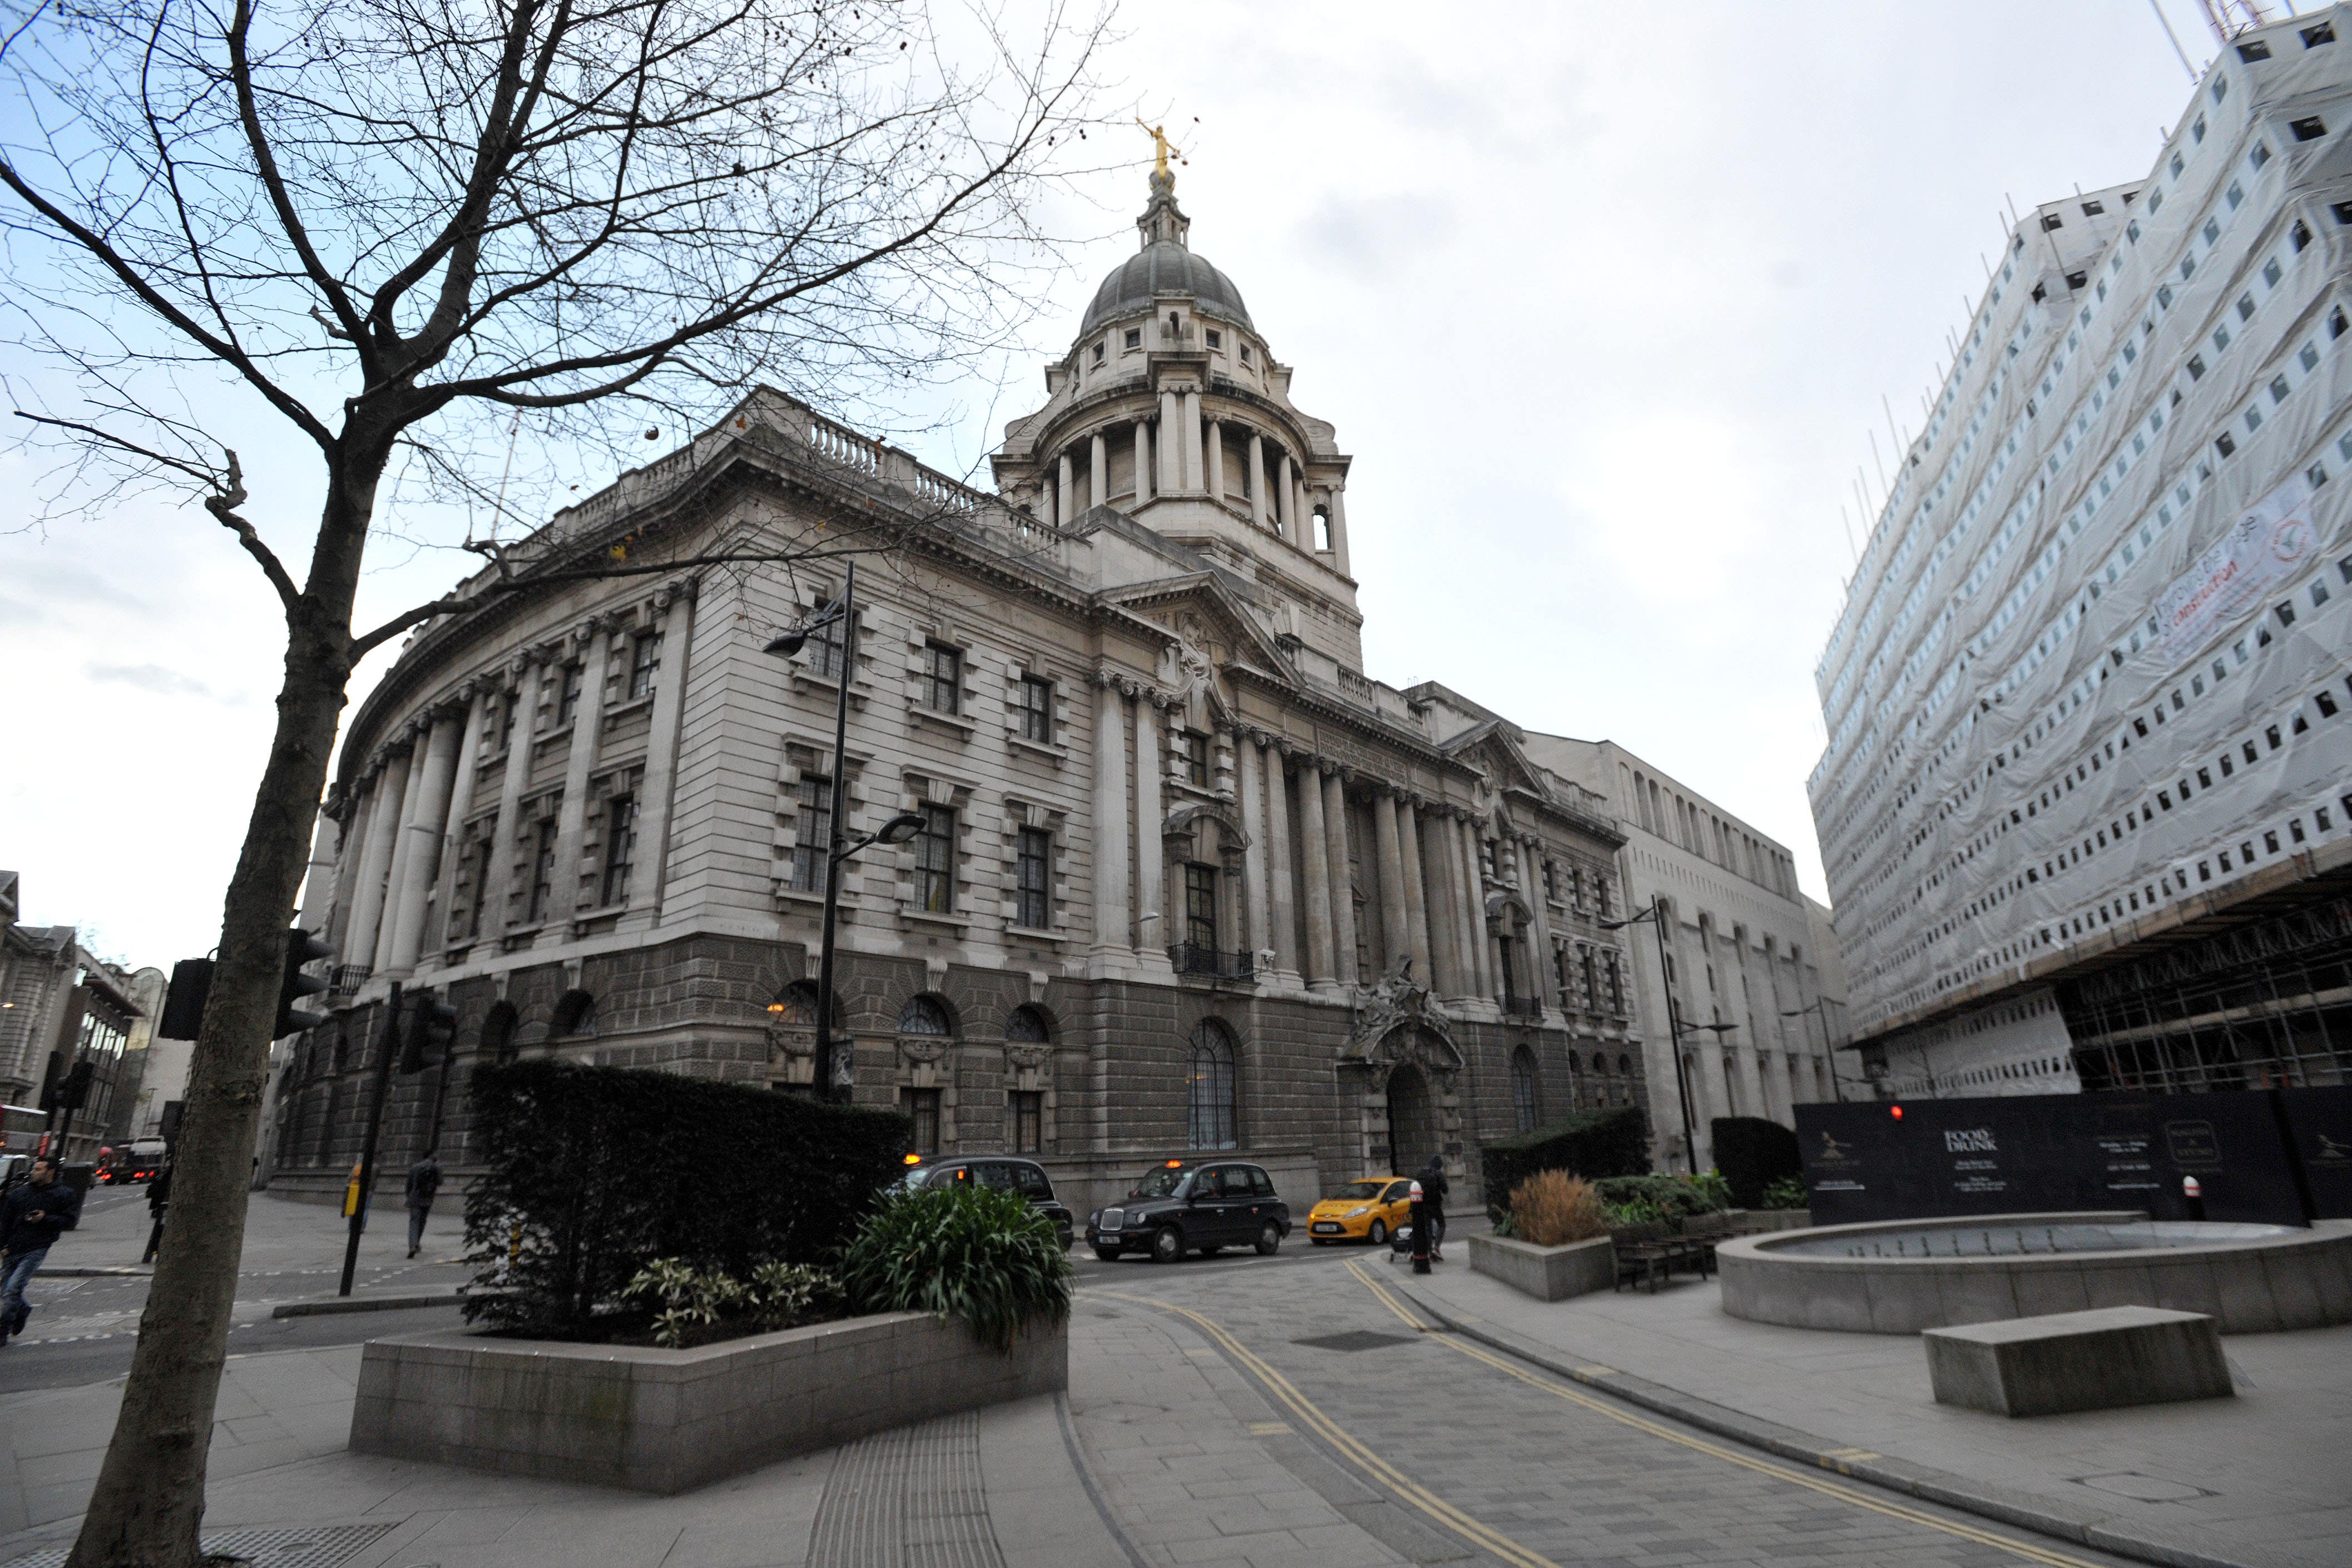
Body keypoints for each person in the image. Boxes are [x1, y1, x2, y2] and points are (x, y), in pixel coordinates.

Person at [1, 1158, 83, 1342]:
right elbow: (5, 1221)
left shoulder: (64, 1194)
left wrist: (45, 1219)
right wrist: (3, 1246)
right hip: (13, 1247)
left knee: (13, 1288)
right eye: (34, 1169)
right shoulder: (19, 1193)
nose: (34, 1172)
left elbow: (69, 1221)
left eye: (39, 1169)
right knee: (5, 1290)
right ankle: (22, 1310)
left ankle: (2, 1330)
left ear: (50, 1172)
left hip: (37, 1247)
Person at [404, 1153, 443, 1259]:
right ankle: (417, 1243)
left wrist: (409, 1196)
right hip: (428, 1198)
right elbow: (440, 1182)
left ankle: (413, 1245)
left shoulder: (415, 1167)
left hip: (415, 1197)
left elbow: (409, 1185)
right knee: (422, 1221)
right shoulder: (436, 1167)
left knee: (414, 1222)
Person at [1419, 1154, 1449, 1262]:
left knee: (1428, 1227)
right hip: (1435, 1204)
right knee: (1442, 1225)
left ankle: (1429, 1250)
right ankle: (1436, 1248)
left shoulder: (1423, 1173)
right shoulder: (1438, 1174)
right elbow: (1446, 1190)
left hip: (1423, 1204)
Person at [142, 1162, 173, 1265]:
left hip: (161, 1205)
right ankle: (157, 1251)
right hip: (164, 1205)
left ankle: (155, 1252)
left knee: (159, 1230)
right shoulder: (169, 1173)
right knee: (161, 1230)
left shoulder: (167, 1172)